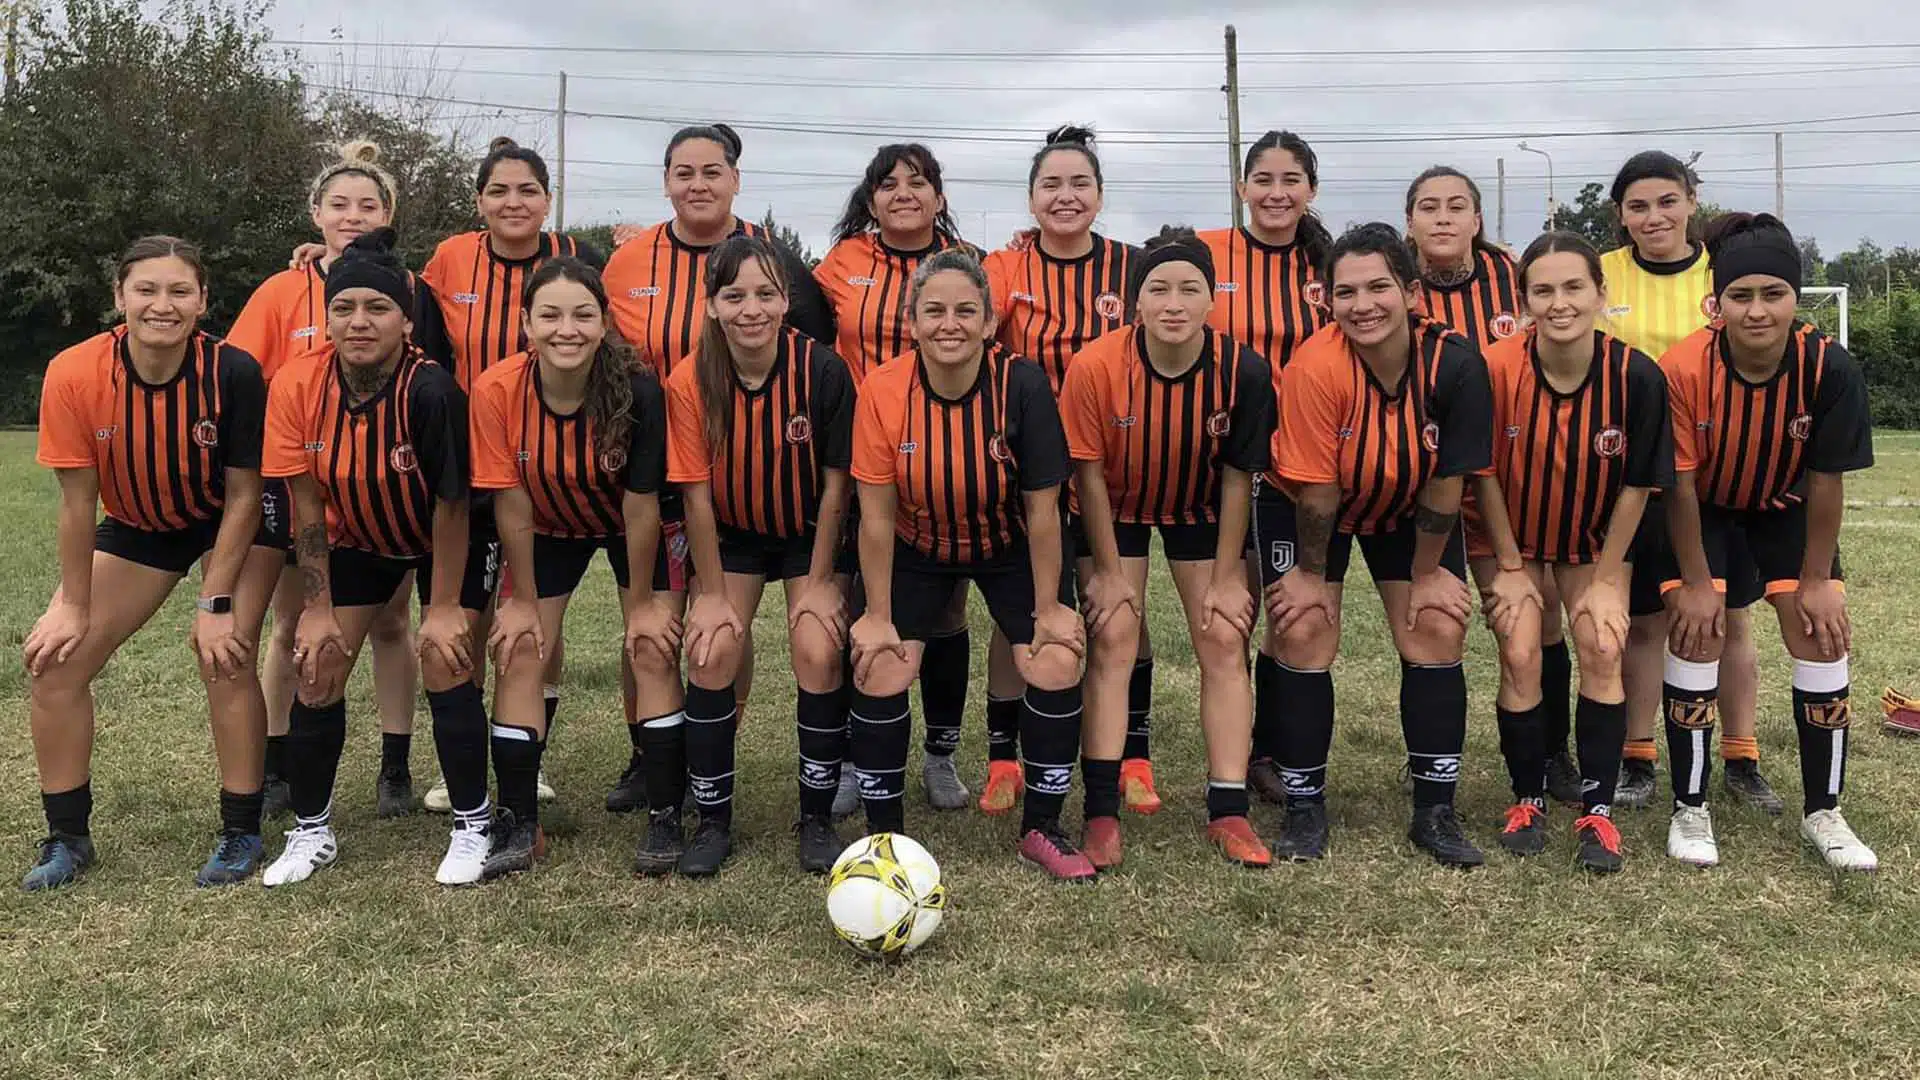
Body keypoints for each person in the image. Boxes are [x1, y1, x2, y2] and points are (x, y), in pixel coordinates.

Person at [23, 236, 272, 891]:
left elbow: (247, 494)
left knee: (226, 653)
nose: (163, 305)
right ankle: (68, 840)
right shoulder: (74, 373)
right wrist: (73, 604)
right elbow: (78, 503)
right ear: (119, 298)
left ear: (203, 301)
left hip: (229, 521)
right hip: (140, 526)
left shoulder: (234, 372)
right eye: (147, 290)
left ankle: (242, 830)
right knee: (56, 665)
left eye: (179, 291)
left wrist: (215, 603)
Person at [601, 122, 835, 809]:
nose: (697, 184)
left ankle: (714, 747)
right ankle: (650, 754)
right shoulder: (627, 260)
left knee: (723, 623)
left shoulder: (778, 264)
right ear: (666, 181)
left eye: (712, 171)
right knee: (647, 614)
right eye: (684, 172)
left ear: (736, 179)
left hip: (758, 473)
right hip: (660, 462)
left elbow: (813, 354)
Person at [258, 228, 498, 888]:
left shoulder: (432, 390)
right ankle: (311, 831)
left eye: (377, 308)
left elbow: (452, 506)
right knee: (318, 662)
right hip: (360, 536)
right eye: (344, 307)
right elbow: (307, 504)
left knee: (447, 659)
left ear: (404, 319)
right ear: (326, 315)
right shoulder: (297, 385)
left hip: (448, 536)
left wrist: (445, 606)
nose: (359, 322)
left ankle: (473, 824)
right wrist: (317, 606)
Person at [848, 248, 1092, 880]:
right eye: (933, 310)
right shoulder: (882, 388)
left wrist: (1049, 608)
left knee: (1055, 657)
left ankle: (1042, 826)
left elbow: (1045, 511)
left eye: (965, 310)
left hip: (1008, 544)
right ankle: (884, 843)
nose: (948, 323)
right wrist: (876, 614)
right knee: (881, 666)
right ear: (912, 321)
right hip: (918, 544)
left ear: (989, 323)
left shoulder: (1025, 384)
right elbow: (874, 516)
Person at [1262, 223, 1493, 867]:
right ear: (1326, 301)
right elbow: (1317, 494)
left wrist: (1427, 574)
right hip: (1311, 505)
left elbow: (1449, 479)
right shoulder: (1315, 365)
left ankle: (1434, 809)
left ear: (1412, 293)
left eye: (1377, 287)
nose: (1362, 305)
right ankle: (1304, 803)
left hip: (1409, 505)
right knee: (1303, 626)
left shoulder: (1457, 362)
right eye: (1345, 292)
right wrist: (1310, 577)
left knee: (1437, 622)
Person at [1657, 213, 1876, 871]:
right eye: (1740, 296)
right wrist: (1696, 584)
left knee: (1820, 632)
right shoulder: (1683, 367)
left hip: (1785, 507)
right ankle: (1690, 808)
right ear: (1716, 303)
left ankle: (1824, 812)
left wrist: (1814, 580)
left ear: (1795, 299)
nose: (1757, 311)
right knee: (1698, 630)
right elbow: (1681, 490)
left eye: (1772, 294)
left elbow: (1826, 482)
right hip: (1707, 511)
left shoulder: (1828, 367)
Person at [1061, 226, 1275, 868]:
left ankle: (1229, 809)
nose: (1174, 302)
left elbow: (1240, 478)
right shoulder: (1097, 365)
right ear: (1137, 302)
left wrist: (1230, 576)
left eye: (1190, 289)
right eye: (1159, 288)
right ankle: (1101, 811)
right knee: (1115, 633)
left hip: (1200, 507)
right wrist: (1106, 571)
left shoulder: (1244, 369)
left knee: (1221, 634)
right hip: (1114, 508)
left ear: (1213, 300)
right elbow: (1088, 474)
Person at [412, 136, 604, 814]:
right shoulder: (450, 259)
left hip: (548, 468)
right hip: (467, 465)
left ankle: (531, 755)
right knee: (467, 614)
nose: (513, 202)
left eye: (527, 190)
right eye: (499, 190)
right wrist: (328, 258)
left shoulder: (579, 259)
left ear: (548, 200)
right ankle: (457, 761)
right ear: (479, 201)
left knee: (533, 615)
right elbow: (410, 322)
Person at [228, 140, 419, 820]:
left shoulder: (406, 287)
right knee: (293, 624)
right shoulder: (284, 290)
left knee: (393, 622)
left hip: (378, 492)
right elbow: (239, 380)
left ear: (389, 214)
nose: (353, 216)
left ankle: (394, 766)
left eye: (368, 204)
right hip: (297, 485)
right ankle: (281, 762)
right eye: (338, 204)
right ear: (315, 215)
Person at [1475, 232, 1675, 873]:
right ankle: (1527, 797)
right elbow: (1482, 474)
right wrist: (1508, 564)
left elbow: (1639, 485)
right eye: (1543, 290)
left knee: (1602, 641)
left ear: (1600, 294)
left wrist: (1609, 578)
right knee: (1521, 648)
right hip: (1516, 541)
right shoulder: (1495, 366)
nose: (1559, 303)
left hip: (1594, 544)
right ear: (1524, 298)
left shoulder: (1636, 375)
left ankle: (1598, 810)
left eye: (1572, 287)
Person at [467, 257, 671, 880]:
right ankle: (521, 819)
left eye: (583, 314)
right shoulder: (496, 389)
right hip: (548, 525)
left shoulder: (636, 387)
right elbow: (513, 504)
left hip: (626, 522)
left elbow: (640, 510)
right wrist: (523, 601)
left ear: (605, 321)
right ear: (525, 323)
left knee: (652, 646)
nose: (567, 329)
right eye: (550, 315)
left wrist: (640, 603)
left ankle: (666, 812)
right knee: (522, 645)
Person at [667, 236, 857, 874]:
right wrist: (713, 595)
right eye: (734, 295)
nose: (751, 309)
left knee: (818, 645)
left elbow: (836, 488)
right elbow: (694, 495)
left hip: (808, 534)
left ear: (786, 302)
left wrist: (826, 579)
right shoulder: (690, 378)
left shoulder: (823, 370)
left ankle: (817, 817)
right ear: (713, 305)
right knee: (713, 647)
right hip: (733, 536)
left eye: (766, 295)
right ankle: (712, 819)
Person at [981, 124, 1153, 817]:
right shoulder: (1005, 267)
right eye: (1051, 184)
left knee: (1120, 607)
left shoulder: (1130, 267)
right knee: (1021, 611)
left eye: (1079, 183)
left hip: (1120, 464)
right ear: (1030, 199)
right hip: (1028, 473)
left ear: (1100, 194)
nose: (1065, 196)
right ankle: (1003, 760)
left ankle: (1134, 755)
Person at [1600, 151, 1775, 815]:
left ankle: (1742, 756)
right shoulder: (1601, 274)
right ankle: (1637, 757)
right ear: (1620, 214)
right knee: (1645, 624)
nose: (1653, 217)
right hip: (1635, 479)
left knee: (1730, 620)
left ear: (1691, 201)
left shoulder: (1723, 273)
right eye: (1638, 206)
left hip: (1722, 477)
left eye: (1667, 201)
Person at [1404, 165, 1584, 804]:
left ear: (1478, 220)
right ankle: (1427, 754)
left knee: (1540, 618)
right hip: (1423, 482)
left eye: (1458, 206)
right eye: (1430, 207)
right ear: (1411, 223)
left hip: (1516, 477)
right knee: (1429, 618)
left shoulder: (1515, 276)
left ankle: (1552, 754)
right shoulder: (1394, 289)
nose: (1444, 217)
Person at [1201, 129, 1334, 804]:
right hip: (1227, 460)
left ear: (1311, 189)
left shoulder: (1330, 265)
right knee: (1243, 604)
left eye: (1291, 181)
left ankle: (1273, 750)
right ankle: (1248, 744)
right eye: (1264, 179)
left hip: (1306, 466)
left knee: (1287, 607)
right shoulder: (1209, 251)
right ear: (1241, 186)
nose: (1277, 193)